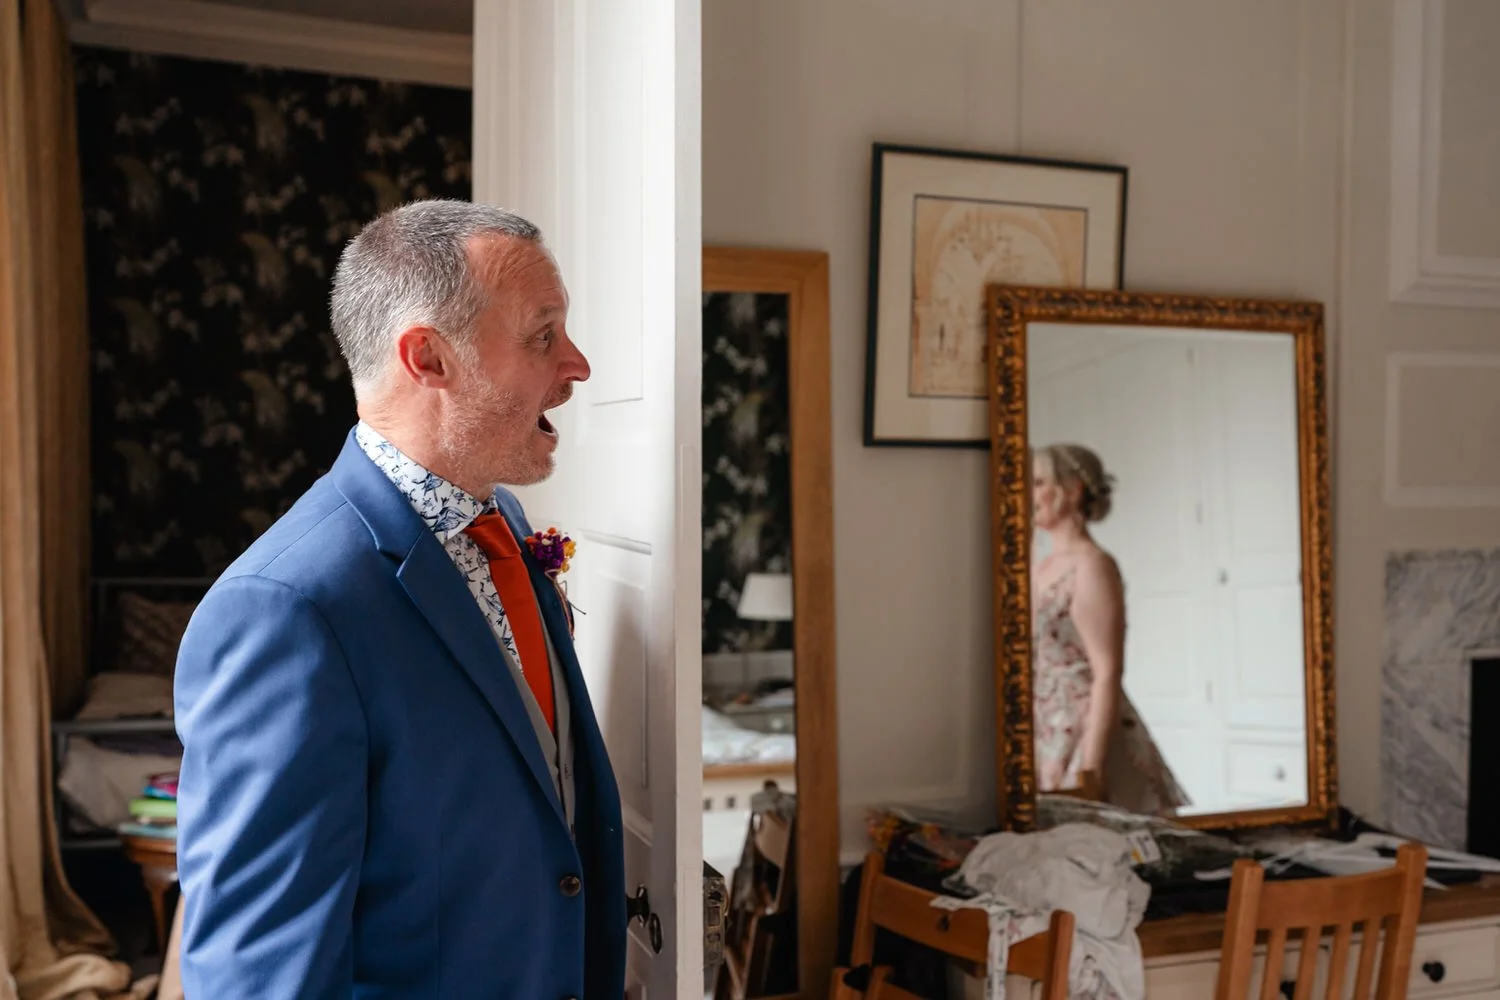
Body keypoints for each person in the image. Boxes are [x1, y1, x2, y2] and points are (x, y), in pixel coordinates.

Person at [173, 200, 625, 998]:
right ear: (429, 358)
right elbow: (261, 971)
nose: (578, 365)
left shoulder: (505, 522)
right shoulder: (285, 610)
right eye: (542, 335)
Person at [1030, 442, 1189, 816]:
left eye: (1038, 483)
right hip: (1043, 733)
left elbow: (1107, 671)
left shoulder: (1092, 566)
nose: (1028, 495)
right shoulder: (1039, 567)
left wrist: (1091, 767)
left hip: (1084, 733)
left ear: (1072, 491)